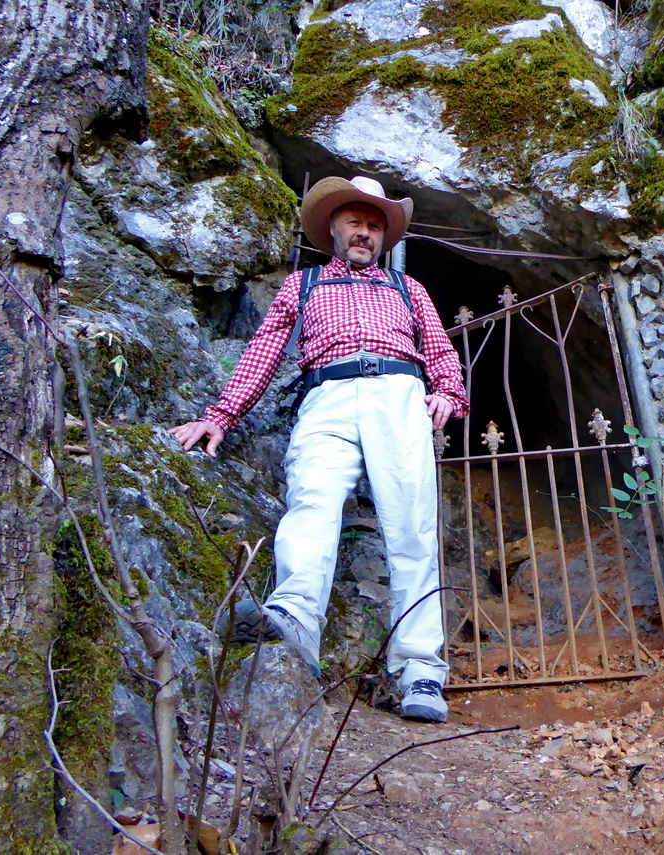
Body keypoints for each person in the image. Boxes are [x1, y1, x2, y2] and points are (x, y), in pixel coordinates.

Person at [169, 175, 467, 723]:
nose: (365, 232)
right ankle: (295, 618)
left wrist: (448, 392)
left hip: (398, 395)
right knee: (311, 501)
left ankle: (420, 670)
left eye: (375, 225)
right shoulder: (302, 287)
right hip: (326, 393)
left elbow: (440, 349)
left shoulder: (408, 291)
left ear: (384, 238)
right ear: (332, 227)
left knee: (412, 526)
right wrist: (220, 416)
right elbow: (263, 350)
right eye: (355, 221)